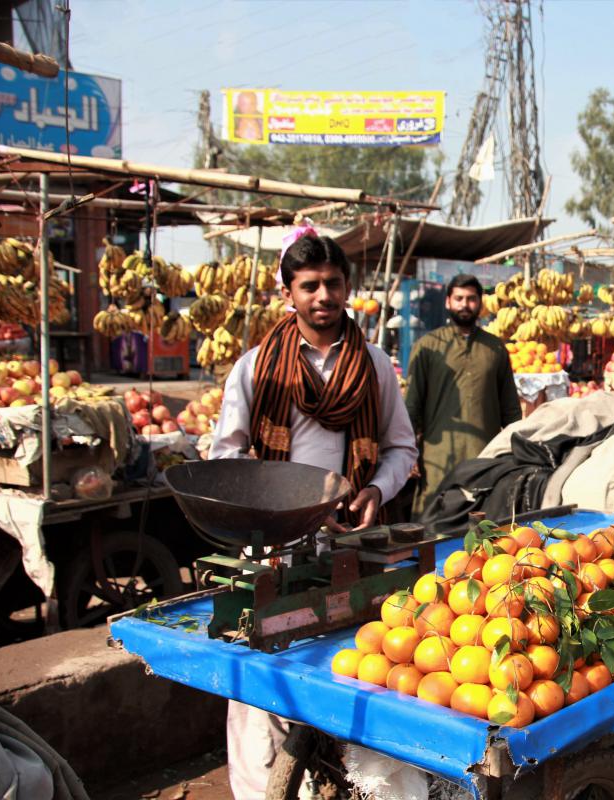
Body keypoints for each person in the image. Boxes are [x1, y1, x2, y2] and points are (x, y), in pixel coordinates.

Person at [210, 232, 417, 798]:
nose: (323, 295)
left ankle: (332, 785)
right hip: (273, 543)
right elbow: (224, 458)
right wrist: (289, 506)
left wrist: (375, 489)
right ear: (289, 294)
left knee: (348, 667)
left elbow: (402, 448)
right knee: (260, 680)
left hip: (352, 543)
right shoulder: (257, 368)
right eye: (309, 286)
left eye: (332, 283)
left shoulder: (374, 364)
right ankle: (259, 790)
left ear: (348, 289)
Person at [403, 274, 521, 514]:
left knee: (484, 524)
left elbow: (510, 408)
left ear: (480, 303)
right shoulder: (427, 346)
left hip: (485, 455)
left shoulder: (495, 348)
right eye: (458, 298)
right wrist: (407, 452)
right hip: (437, 457)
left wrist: (516, 451)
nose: (464, 304)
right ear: (448, 302)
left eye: (471, 299)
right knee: (433, 522)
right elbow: (411, 405)